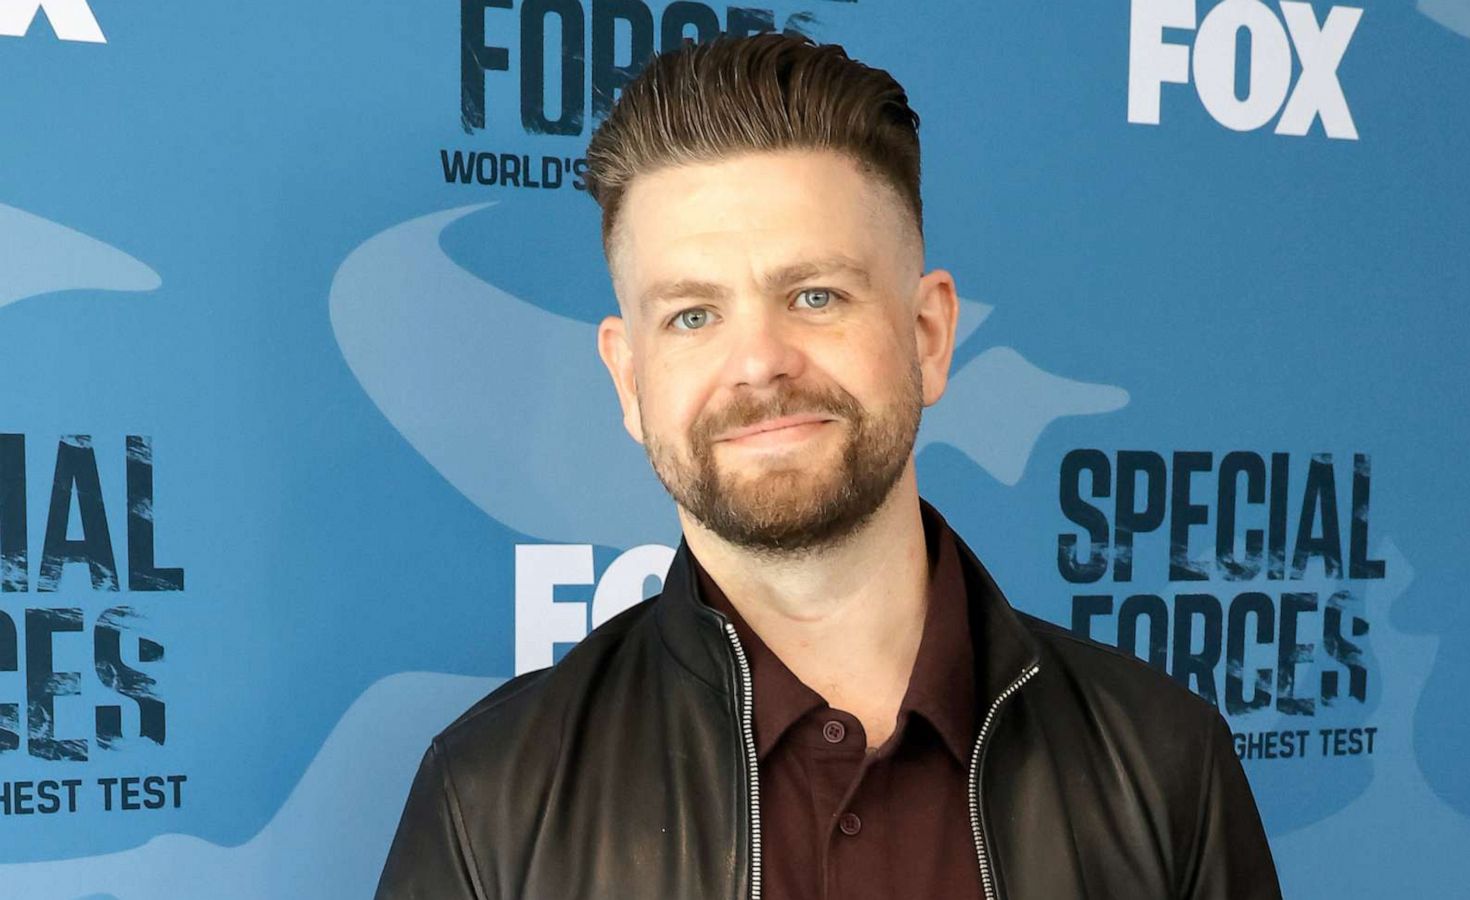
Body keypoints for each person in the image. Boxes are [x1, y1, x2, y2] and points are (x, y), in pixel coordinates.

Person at [375, 32, 1281, 900]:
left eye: (815, 296)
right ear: (628, 375)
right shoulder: (488, 801)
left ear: (927, 336)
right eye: (693, 314)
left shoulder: (1163, 762)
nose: (759, 360)